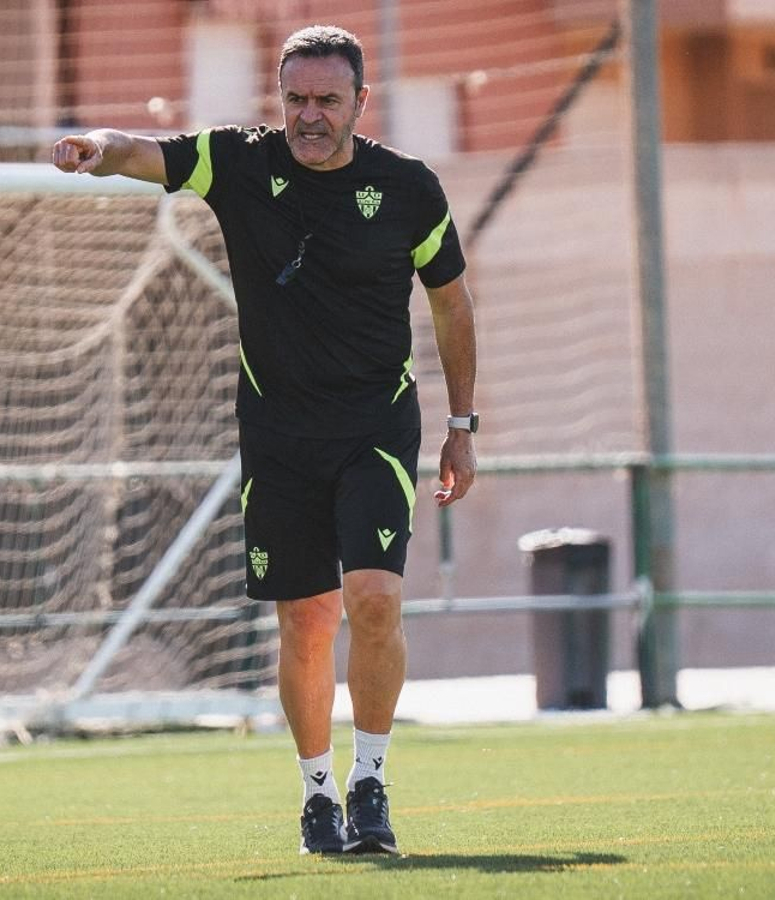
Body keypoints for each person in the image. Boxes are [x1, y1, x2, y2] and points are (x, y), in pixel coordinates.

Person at [52, 24, 477, 856]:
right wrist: (92, 146)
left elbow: (452, 305)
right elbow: (144, 152)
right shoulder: (241, 162)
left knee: (375, 600)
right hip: (279, 435)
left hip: (375, 429)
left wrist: (463, 428)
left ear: (361, 101)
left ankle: (372, 783)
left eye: (326, 100)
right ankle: (318, 791)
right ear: (279, 98)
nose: (309, 116)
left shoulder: (409, 189)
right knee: (306, 619)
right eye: (295, 98)